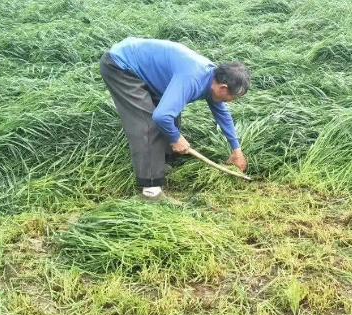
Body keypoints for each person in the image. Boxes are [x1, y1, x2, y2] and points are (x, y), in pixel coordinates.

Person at [99, 37, 250, 200]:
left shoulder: (213, 78)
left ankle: (162, 163)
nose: (231, 101)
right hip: (121, 65)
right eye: (232, 97)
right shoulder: (193, 78)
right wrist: (175, 138)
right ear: (223, 87)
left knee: (171, 114)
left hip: (145, 67)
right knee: (148, 123)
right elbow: (161, 116)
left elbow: (222, 114)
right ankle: (151, 192)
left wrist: (237, 150)